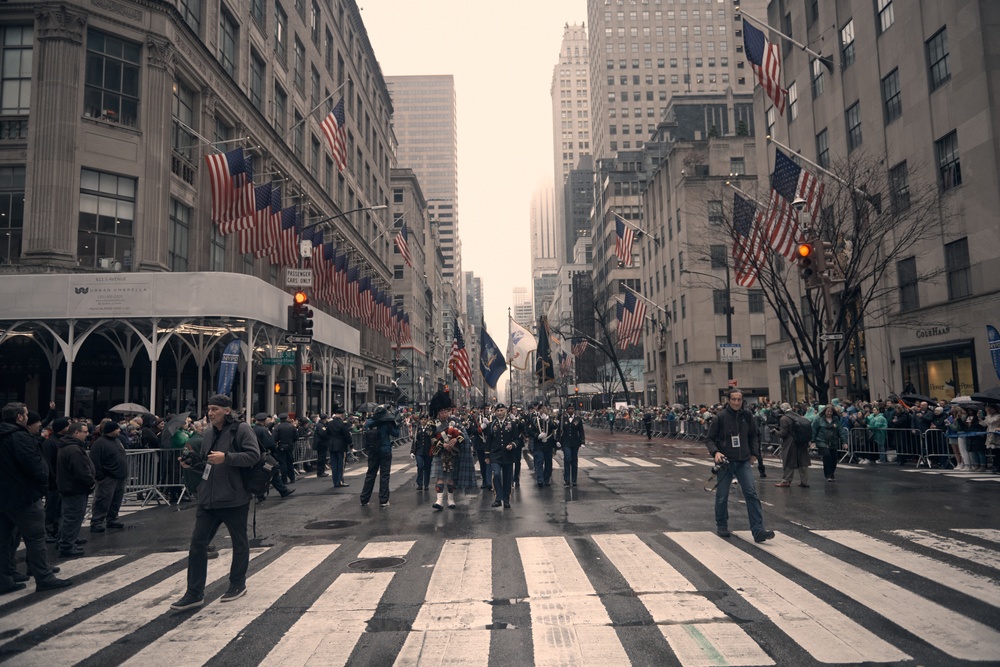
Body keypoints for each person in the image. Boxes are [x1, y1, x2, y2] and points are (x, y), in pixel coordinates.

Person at [170, 394, 260, 611]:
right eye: (209, 409)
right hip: (208, 498)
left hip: (234, 497)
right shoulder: (209, 433)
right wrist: (192, 464)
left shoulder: (242, 429)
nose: (210, 413)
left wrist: (227, 457)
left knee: (239, 542)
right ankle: (194, 593)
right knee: (198, 544)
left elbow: (253, 456)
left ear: (227, 410)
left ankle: (237, 583)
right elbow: (208, 464)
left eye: (215, 409)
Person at [0, 402, 72, 594]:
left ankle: (5, 577)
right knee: (35, 538)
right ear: (19, 417)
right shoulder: (20, 437)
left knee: (5, 538)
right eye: (25, 414)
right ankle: (44, 576)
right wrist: (42, 485)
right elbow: (34, 466)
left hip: (5, 495)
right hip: (23, 495)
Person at [705, 390, 774, 543]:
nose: (737, 402)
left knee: (751, 494)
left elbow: (754, 435)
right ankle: (722, 524)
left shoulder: (747, 416)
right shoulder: (720, 417)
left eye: (739, 399)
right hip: (725, 462)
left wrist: (754, 453)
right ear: (728, 400)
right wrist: (715, 452)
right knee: (722, 496)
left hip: (743, 461)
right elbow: (709, 439)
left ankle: (758, 530)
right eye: (734, 399)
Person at [56, 422, 96, 557]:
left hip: (71, 487)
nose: (87, 434)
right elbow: (81, 470)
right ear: (76, 433)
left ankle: (67, 540)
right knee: (73, 517)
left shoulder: (70, 447)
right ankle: (67, 545)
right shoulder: (73, 449)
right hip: (75, 488)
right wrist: (90, 482)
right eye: (84, 431)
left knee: (70, 516)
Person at [89, 420, 128, 532]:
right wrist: (100, 476)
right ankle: (97, 521)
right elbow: (95, 461)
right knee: (103, 500)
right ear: (110, 430)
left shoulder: (117, 440)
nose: (119, 430)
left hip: (119, 475)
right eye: (117, 428)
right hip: (108, 476)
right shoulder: (99, 443)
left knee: (116, 499)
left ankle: (112, 518)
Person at [359, 405, 400, 508]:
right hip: (385, 450)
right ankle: (383, 500)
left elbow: (365, 428)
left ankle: (364, 499)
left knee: (370, 474)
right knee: (384, 475)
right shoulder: (387, 423)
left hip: (373, 451)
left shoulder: (369, 422)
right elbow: (396, 433)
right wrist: (396, 423)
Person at [429, 390, 464, 510]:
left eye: (445, 411)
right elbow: (432, 439)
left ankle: (450, 499)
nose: (444, 414)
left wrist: (455, 441)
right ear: (438, 413)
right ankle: (439, 501)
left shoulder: (454, 422)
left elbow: (462, 435)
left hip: (451, 453)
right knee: (439, 477)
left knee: (450, 478)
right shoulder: (433, 424)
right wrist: (442, 445)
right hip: (440, 452)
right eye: (442, 412)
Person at [250, 413, 294, 500]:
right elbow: (270, 443)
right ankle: (281, 491)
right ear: (264, 420)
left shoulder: (252, 429)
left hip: (255, 455)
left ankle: (280, 491)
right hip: (264, 456)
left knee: (266, 473)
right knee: (272, 471)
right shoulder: (264, 430)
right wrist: (274, 453)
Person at [487, 403, 522, 509]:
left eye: (501, 410)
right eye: (497, 411)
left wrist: (512, 445)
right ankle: (498, 498)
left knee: (507, 478)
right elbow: (489, 441)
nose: (499, 413)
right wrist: (487, 455)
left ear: (505, 411)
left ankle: (506, 499)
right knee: (496, 474)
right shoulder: (492, 425)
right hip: (496, 455)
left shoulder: (512, 423)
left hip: (508, 454)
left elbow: (517, 439)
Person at [774, 403, 810, 488]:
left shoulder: (784, 418)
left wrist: (775, 432)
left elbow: (783, 433)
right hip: (801, 441)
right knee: (803, 461)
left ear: (782, 409)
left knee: (789, 460)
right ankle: (805, 481)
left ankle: (786, 480)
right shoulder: (798, 416)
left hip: (790, 442)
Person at [526, 404, 557, 487]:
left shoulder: (550, 419)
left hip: (548, 444)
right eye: (541, 409)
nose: (543, 411)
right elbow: (529, 431)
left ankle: (547, 479)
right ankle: (540, 479)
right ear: (538, 410)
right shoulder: (534, 420)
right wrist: (537, 435)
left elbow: (555, 426)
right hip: (538, 444)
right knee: (539, 462)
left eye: (545, 409)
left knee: (548, 463)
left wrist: (547, 420)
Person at [813, 405, 844, 482]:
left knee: (834, 458)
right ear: (824, 411)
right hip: (822, 440)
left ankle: (832, 473)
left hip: (833, 441)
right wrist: (812, 441)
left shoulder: (836, 419)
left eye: (831, 411)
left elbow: (840, 430)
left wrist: (844, 441)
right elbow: (814, 430)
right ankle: (827, 475)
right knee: (827, 456)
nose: (829, 413)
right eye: (827, 411)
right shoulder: (819, 419)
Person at [558, 404, 585, 487]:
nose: (570, 410)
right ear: (566, 410)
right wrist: (558, 440)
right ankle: (566, 480)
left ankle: (574, 480)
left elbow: (581, 431)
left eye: (572, 409)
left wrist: (583, 441)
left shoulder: (578, 419)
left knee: (574, 461)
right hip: (565, 442)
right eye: (569, 409)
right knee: (567, 458)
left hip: (575, 442)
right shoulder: (563, 419)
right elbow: (559, 430)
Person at [326, 404, 353, 488]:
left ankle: (335, 482)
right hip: (341, 446)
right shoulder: (343, 424)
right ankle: (340, 481)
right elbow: (346, 435)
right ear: (342, 415)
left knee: (334, 464)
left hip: (332, 445)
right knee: (341, 464)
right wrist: (351, 444)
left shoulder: (330, 423)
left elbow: (327, 433)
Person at [272, 413, 298, 484]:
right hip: (290, 446)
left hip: (281, 446)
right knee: (290, 462)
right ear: (287, 418)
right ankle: (292, 478)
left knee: (283, 463)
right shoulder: (292, 426)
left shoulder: (277, 427)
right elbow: (296, 437)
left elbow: (274, 437)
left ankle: (284, 479)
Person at [410, 414, 434, 491]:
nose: (423, 421)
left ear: (427, 420)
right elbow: (415, 441)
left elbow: (432, 440)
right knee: (420, 466)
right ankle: (419, 483)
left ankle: (426, 484)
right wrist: (412, 451)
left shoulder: (430, 429)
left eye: (425, 419)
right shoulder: (418, 429)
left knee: (427, 467)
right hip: (419, 451)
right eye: (422, 419)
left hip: (428, 451)